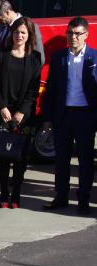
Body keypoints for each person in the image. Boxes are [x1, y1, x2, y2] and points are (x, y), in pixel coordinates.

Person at [41, 17, 97, 215]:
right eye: (70, 33)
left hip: (86, 116)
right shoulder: (59, 57)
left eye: (78, 34)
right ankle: (61, 196)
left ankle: (83, 199)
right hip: (63, 115)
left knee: (85, 159)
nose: (73, 37)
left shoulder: (94, 57)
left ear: (86, 36)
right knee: (61, 159)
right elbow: (51, 89)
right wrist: (47, 118)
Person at [0, 16, 42, 209]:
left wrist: (22, 112)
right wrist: (2, 106)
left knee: (20, 157)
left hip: (23, 117)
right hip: (2, 114)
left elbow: (33, 89)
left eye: (23, 32)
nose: (19, 35)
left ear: (29, 36)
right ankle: (3, 193)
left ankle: (16, 193)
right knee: (3, 156)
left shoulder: (34, 58)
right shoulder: (2, 54)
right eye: (16, 31)